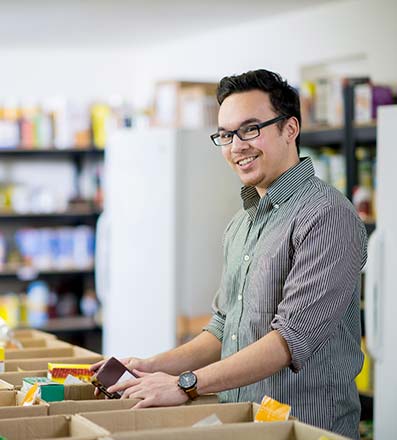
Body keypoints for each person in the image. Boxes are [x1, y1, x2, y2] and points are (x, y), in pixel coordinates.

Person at [91, 69, 367, 439]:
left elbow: (289, 341)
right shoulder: (241, 224)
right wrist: (148, 366)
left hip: (305, 428)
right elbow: (223, 328)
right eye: (225, 134)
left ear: (290, 129)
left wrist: (185, 384)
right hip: (242, 423)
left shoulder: (327, 215)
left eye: (250, 128)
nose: (236, 146)